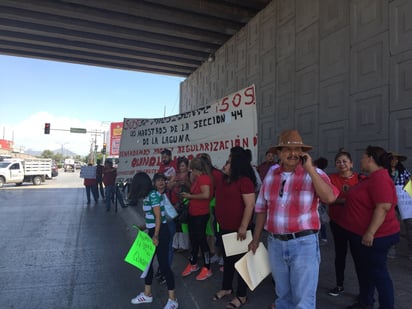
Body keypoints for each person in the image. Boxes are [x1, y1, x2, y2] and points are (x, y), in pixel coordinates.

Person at [249, 129, 339, 309]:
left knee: (303, 301)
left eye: (297, 149)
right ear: (279, 154)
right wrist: (256, 239)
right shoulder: (271, 175)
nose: (293, 154)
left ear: (303, 153)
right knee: (283, 296)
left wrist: (310, 170)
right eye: (287, 150)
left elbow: (330, 198)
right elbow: (261, 209)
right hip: (275, 243)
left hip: (304, 244)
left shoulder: (315, 173)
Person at [341, 146, 400, 309]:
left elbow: (383, 207)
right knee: (365, 270)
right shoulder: (372, 177)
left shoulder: (380, 178)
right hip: (360, 234)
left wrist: (370, 232)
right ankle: (365, 301)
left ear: (371, 159)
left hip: (376, 237)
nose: (361, 160)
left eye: (363, 157)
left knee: (378, 273)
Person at [213, 146, 256, 309]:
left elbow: (250, 205)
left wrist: (243, 226)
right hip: (224, 228)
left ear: (236, 165)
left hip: (239, 230)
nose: (225, 165)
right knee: (228, 261)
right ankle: (226, 288)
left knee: (242, 264)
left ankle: (242, 296)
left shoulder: (245, 181)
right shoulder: (223, 180)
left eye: (228, 162)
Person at [128, 172, 178, 309]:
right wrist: (143, 227)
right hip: (153, 231)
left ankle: (172, 299)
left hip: (161, 233)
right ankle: (147, 294)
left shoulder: (153, 195)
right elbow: (153, 217)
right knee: (147, 264)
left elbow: (158, 218)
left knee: (164, 265)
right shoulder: (148, 196)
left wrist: (155, 236)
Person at [327, 150, 363, 297]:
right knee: (340, 255)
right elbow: (327, 198)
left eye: (345, 161)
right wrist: (345, 201)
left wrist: (339, 200)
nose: (342, 164)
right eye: (338, 162)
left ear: (351, 163)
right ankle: (339, 284)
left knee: (358, 256)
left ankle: (363, 289)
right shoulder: (330, 179)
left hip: (356, 224)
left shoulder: (360, 179)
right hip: (337, 222)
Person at [180, 156, 214, 281]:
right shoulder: (199, 179)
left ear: (196, 169)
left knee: (201, 240)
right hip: (194, 213)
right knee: (194, 239)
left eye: (192, 169)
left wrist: (190, 196)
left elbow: (205, 195)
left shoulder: (204, 178)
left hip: (201, 213)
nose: (191, 172)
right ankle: (193, 262)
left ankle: (207, 267)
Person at [388, 151, 411, 259]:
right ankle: (392, 249)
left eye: (396, 159)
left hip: (403, 201)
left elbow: (410, 183)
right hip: (391, 202)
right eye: (392, 159)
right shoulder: (385, 171)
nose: (394, 161)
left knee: (409, 225)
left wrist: (408, 195)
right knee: (392, 225)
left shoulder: (403, 171)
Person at [167, 156, 191, 251]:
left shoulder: (190, 175)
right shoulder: (175, 175)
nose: (182, 168)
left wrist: (185, 183)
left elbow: (192, 187)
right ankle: (175, 244)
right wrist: (176, 183)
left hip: (186, 203)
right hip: (175, 202)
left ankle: (184, 245)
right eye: (180, 166)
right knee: (176, 224)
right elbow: (169, 186)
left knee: (183, 224)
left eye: (183, 166)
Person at [313, 157, 329, 244]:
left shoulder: (317, 174)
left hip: (318, 201)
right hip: (322, 201)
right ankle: (323, 237)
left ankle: (321, 236)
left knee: (318, 219)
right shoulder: (323, 174)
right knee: (321, 219)